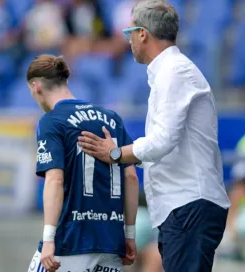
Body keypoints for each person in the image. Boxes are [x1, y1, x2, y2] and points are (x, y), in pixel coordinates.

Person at [77, 1, 231, 271]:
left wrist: (115, 153)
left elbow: (161, 141)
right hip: (183, 206)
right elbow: (165, 146)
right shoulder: (171, 72)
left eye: (130, 34)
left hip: (189, 204)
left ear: (143, 33)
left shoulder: (174, 72)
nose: (129, 41)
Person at [26, 54, 139, 272]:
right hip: (111, 243)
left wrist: (49, 239)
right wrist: (129, 235)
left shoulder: (52, 121)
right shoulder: (112, 118)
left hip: (70, 242)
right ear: (65, 81)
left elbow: (55, 180)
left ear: (36, 86)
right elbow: (131, 177)